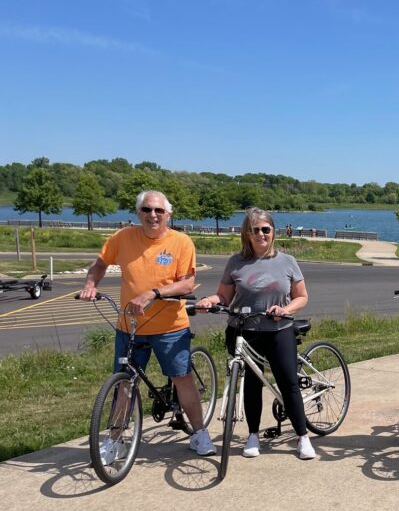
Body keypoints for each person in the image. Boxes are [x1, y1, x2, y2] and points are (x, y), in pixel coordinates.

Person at [79, 190, 215, 460]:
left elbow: (187, 283)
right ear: (138, 213)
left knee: (181, 378)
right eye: (147, 210)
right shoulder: (123, 237)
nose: (153, 215)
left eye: (158, 211)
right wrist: (91, 284)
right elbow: (100, 263)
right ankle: (115, 440)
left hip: (170, 326)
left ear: (168, 214)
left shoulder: (181, 242)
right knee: (123, 384)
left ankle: (199, 434)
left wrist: (153, 293)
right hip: (130, 326)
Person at [194, 209, 313, 459]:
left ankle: (302, 437)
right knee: (250, 384)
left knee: (288, 383)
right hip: (244, 330)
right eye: (255, 229)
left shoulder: (287, 261)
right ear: (246, 234)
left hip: (278, 329)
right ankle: (253, 435)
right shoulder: (236, 262)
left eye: (265, 229)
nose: (260, 234)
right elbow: (224, 296)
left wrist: (285, 309)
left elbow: (302, 297)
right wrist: (209, 300)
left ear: (273, 232)